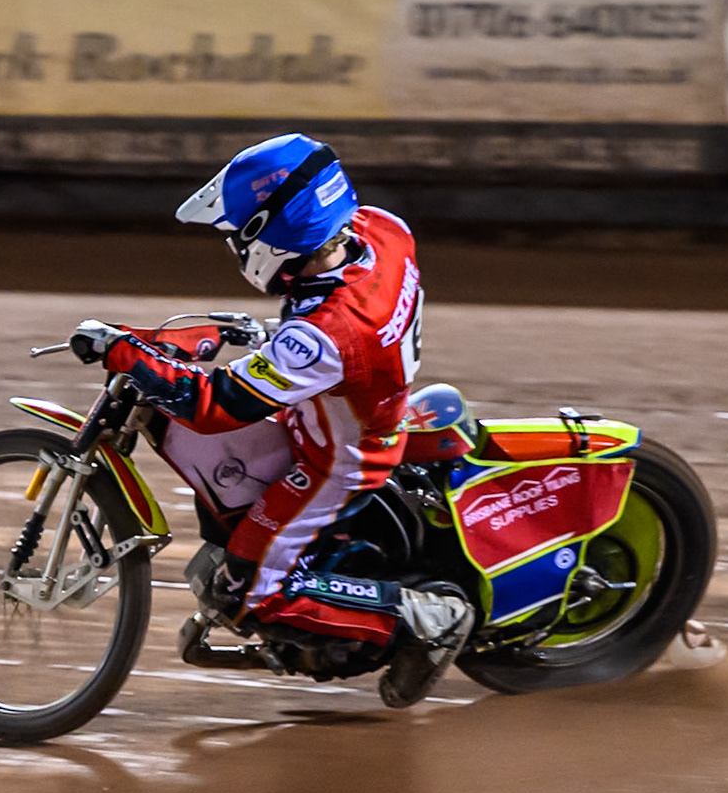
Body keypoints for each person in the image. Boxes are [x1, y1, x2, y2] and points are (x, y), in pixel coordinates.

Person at [69, 134, 474, 707]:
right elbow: (328, 305)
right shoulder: (382, 230)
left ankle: (422, 620)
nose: (234, 247)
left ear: (272, 235)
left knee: (250, 592)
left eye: (238, 235)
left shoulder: (326, 336)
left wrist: (122, 351)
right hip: (347, 401)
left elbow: (213, 405)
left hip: (337, 461)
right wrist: (265, 335)